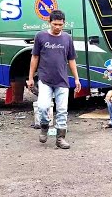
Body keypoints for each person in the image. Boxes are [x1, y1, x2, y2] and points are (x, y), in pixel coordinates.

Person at [27, 9, 81, 149]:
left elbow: (71, 60)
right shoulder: (40, 37)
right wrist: (30, 77)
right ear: (49, 22)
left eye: (60, 24)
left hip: (62, 80)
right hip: (45, 79)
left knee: (62, 110)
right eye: (55, 24)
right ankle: (44, 126)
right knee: (43, 107)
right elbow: (35, 57)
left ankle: (60, 138)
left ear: (64, 23)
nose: (57, 27)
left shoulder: (67, 38)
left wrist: (76, 79)